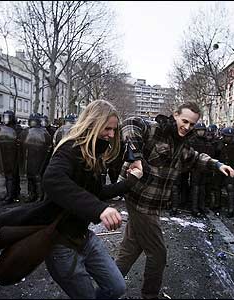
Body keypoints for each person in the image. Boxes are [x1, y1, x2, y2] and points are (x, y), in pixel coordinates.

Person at [115, 101, 234, 299]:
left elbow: (196, 157)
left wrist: (217, 164)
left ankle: (107, 288)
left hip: (152, 203)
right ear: (175, 115)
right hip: (140, 200)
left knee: (131, 248)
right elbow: (129, 123)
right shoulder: (156, 129)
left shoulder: (182, 144)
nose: (187, 127)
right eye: (184, 121)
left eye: (192, 124)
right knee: (158, 254)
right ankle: (149, 295)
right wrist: (135, 156)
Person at [41, 100, 142, 299]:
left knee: (116, 287)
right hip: (60, 244)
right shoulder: (69, 148)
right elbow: (52, 180)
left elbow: (97, 193)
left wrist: (130, 182)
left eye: (114, 130)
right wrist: (100, 210)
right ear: (92, 123)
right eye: (107, 128)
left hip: (83, 238)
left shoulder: (95, 154)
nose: (111, 135)